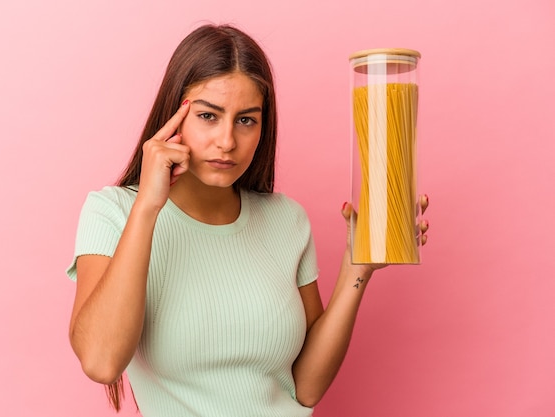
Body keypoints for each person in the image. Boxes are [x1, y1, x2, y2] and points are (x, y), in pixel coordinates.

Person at [66, 23, 429, 416]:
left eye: (246, 120)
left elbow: (304, 388)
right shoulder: (113, 212)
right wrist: (149, 207)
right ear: (174, 117)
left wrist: (359, 267)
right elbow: (101, 363)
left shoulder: (285, 219)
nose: (226, 141)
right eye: (208, 115)